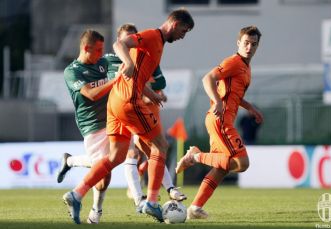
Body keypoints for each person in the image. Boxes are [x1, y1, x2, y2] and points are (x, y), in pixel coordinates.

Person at [62, 9, 194, 224]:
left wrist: (150, 93)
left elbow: (139, 77)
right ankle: (151, 201)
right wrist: (129, 64)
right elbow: (119, 44)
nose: (183, 36)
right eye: (183, 30)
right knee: (160, 146)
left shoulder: (157, 43)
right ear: (174, 23)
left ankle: (76, 193)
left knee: (117, 157)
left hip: (114, 103)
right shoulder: (152, 36)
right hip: (128, 103)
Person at [175, 26, 264, 219]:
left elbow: (235, 95)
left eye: (254, 44)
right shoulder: (233, 62)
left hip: (222, 120)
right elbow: (208, 78)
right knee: (242, 163)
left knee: (222, 168)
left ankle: (195, 208)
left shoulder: (246, 69)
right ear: (238, 43)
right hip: (220, 120)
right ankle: (195, 156)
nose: (249, 47)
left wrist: (251, 108)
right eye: (246, 43)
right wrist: (216, 101)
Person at [62, 29, 116, 224]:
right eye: (98, 50)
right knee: (102, 172)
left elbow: (124, 61)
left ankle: (95, 213)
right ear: (86, 48)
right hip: (92, 125)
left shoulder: (103, 62)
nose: (101, 54)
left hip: (111, 120)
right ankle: (70, 162)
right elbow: (91, 94)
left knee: (112, 162)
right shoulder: (72, 71)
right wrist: (116, 80)